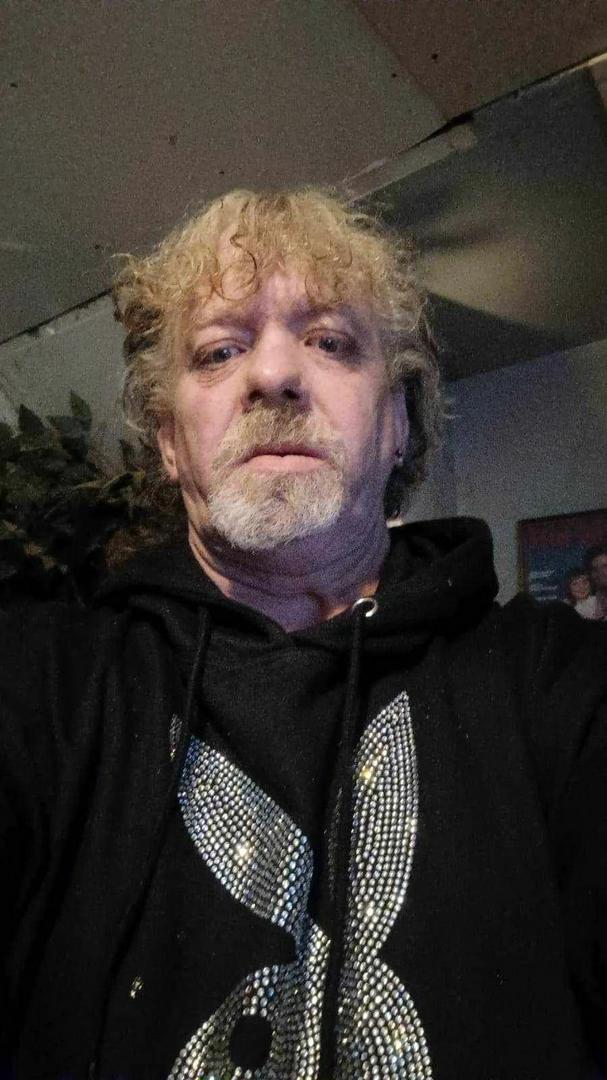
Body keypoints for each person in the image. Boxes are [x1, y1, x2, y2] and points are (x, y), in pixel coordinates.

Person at [1, 189, 606, 1080]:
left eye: (329, 342)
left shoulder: (555, 684)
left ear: (396, 422)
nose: (274, 373)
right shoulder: (43, 687)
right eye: (219, 350)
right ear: (168, 440)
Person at [577, 545, 607, 621]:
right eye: (595, 569)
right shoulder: (582, 609)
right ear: (589, 574)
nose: (602, 573)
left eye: (605, 566)